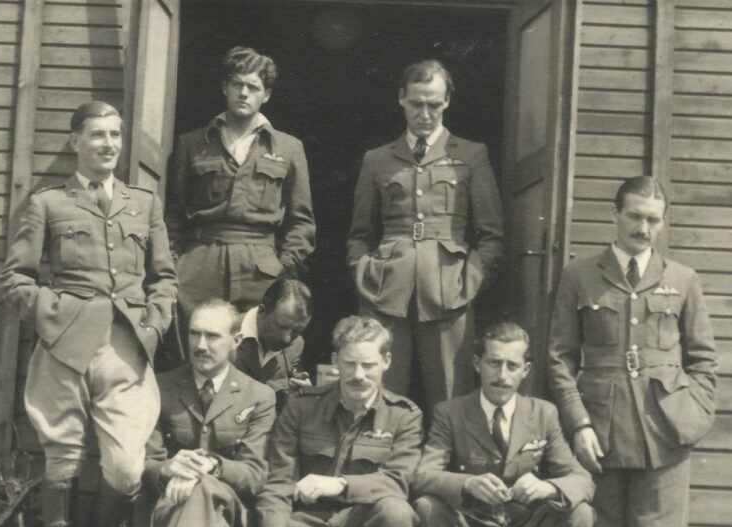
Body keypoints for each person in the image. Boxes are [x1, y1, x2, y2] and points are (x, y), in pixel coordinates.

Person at [0, 101, 177, 527]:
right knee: (62, 459)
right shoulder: (48, 204)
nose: (109, 145)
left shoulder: (143, 204)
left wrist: (154, 325)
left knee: (124, 470)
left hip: (126, 348)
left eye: (115, 135)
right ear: (75, 141)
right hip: (64, 344)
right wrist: (51, 315)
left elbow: (165, 278)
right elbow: (16, 278)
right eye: (98, 135)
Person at [548, 175, 718, 527]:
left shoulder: (682, 279)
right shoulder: (581, 275)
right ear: (615, 215)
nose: (643, 228)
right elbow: (560, 357)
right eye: (635, 217)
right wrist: (578, 424)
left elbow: (704, 360)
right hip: (600, 431)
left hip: (665, 429)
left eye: (653, 220)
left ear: (663, 222)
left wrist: (693, 417)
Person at [347, 59, 505, 412]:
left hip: (450, 291)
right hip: (385, 291)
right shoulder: (377, 160)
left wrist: (470, 281)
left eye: (434, 104)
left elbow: (492, 235)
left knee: (452, 397)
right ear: (401, 98)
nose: (425, 113)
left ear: (447, 101)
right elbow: (360, 233)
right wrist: (363, 273)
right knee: (378, 393)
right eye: (416, 103)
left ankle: (447, 468)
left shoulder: (471, 156)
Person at [412, 321, 594, 527]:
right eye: (494, 363)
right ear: (478, 364)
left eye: (512, 366)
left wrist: (549, 487)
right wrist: (468, 483)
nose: (502, 376)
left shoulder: (543, 413)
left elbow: (582, 480)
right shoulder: (451, 413)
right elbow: (422, 476)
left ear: (526, 370)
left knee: (579, 514)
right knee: (429, 507)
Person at [249, 316, 422, 527]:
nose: (358, 375)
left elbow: (397, 481)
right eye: (349, 364)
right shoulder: (301, 407)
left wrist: (341, 484)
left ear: (386, 362)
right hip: (305, 526)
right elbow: (279, 478)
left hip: (363, 526)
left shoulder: (404, 416)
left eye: (368, 365)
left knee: (396, 514)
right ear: (334, 362)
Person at [165, 46, 315, 321]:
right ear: (225, 87)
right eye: (237, 84)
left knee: (253, 347)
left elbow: (302, 222)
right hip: (200, 263)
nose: (243, 93)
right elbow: (173, 212)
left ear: (266, 94)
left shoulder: (289, 148)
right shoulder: (192, 144)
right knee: (197, 344)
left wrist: (285, 268)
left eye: (253, 87)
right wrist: (177, 263)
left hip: (262, 269)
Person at [140, 299, 276, 527]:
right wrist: (167, 469)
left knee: (204, 488)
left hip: (231, 512)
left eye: (212, 336)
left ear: (236, 340)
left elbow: (255, 476)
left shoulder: (259, 396)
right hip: (169, 512)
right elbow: (143, 464)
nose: (200, 345)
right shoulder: (160, 387)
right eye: (194, 334)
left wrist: (212, 466)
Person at [233, 278, 313, 411]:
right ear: (262, 311)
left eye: (297, 331)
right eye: (282, 327)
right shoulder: (226, 333)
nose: (288, 339)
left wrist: (301, 397)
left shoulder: (297, 345)